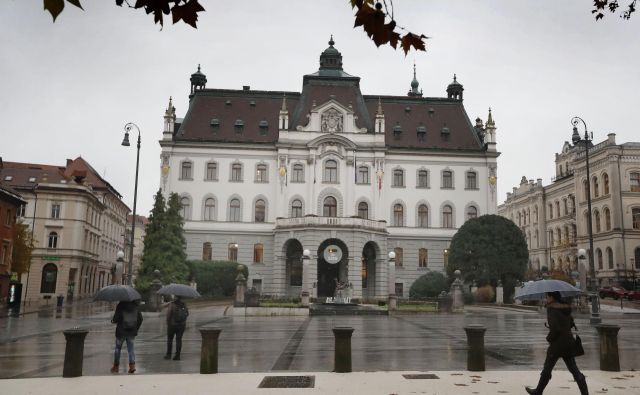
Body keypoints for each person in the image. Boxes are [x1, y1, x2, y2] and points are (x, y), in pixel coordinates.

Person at [525, 291, 588, 395]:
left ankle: (538, 391)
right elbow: (570, 323)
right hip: (568, 342)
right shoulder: (566, 307)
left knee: (547, 368)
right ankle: (585, 393)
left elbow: (555, 328)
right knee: (574, 370)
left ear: (552, 297)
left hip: (557, 345)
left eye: (547, 296)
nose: (546, 298)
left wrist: (549, 338)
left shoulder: (552, 308)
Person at [110, 300, 143, 374]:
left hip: (121, 331)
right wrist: (135, 328)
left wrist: (112, 320)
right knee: (131, 349)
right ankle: (132, 366)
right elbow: (141, 319)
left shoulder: (120, 305)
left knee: (118, 349)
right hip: (131, 332)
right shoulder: (135, 306)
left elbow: (116, 319)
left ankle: (116, 367)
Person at [164, 296, 189, 361]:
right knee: (179, 340)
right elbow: (187, 314)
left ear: (175, 298)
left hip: (172, 325)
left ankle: (168, 355)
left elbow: (168, 314)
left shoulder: (172, 304)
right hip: (182, 325)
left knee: (170, 340)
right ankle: (177, 356)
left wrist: (168, 322)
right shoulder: (184, 304)